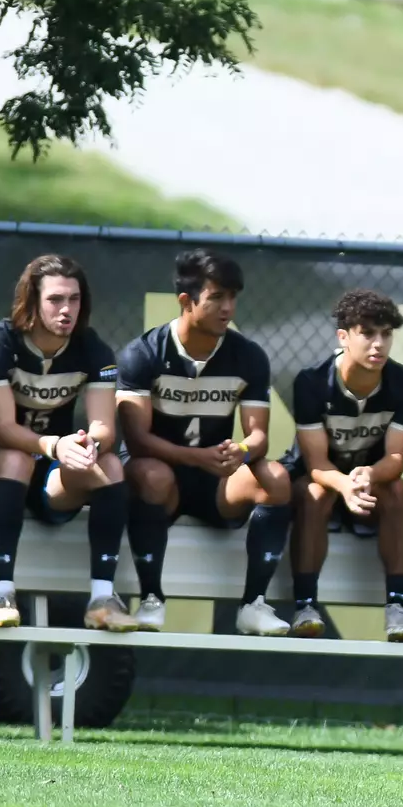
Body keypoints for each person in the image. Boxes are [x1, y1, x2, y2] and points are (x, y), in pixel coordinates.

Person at [116, 249, 293, 635]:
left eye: (233, 298)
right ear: (186, 300)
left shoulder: (248, 356)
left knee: (276, 478)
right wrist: (194, 457)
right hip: (160, 478)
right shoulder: (142, 354)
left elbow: (258, 434)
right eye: (216, 298)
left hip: (215, 479)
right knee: (152, 475)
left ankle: (254, 605)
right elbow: (138, 439)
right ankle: (151, 598)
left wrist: (242, 450)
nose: (228, 308)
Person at [0, 254, 138, 631]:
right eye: (55, 299)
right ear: (32, 301)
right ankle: (1, 594)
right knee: (15, 459)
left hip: (48, 473)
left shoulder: (93, 349)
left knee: (109, 465)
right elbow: (5, 429)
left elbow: (105, 426)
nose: (66, 310)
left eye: (74, 299)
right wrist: (56, 446)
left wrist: (90, 444)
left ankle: (102, 599)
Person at [283, 290, 403, 642]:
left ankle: (397, 609)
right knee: (315, 492)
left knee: (397, 489)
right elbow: (315, 462)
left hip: (370, 489)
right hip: (325, 481)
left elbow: (395, 459)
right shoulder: (311, 382)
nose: (379, 344)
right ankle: (305, 606)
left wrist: (370, 474)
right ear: (343, 336)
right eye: (368, 333)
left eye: (386, 334)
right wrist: (344, 484)